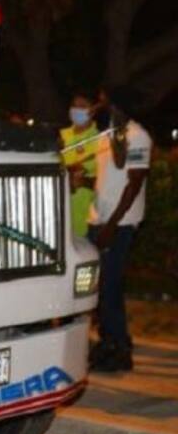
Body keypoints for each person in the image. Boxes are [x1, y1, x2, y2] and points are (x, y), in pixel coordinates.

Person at [88, 89, 153, 372]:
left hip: (120, 223)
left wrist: (112, 225)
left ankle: (121, 347)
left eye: (102, 100)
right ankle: (107, 342)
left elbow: (134, 182)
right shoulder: (108, 135)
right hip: (99, 219)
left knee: (110, 286)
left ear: (115, 104)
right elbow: (112, 169)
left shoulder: (138, 136)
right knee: (99, 288)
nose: (97, 104)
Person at [58, 91, 100, 239]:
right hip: (59, 214)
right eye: (74, 106)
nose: (76, 110)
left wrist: (81, 180)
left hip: (85, 218)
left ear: (93, 110)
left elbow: (103, 180)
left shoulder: (100, 140)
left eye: (82, 106)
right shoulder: (61, 136)